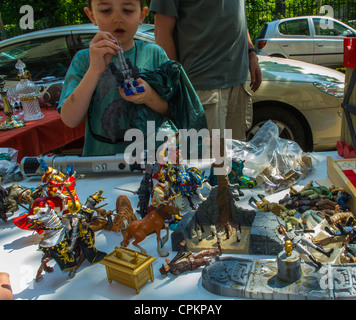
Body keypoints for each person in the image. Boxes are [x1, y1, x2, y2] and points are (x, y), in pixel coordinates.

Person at [58, 0, 207, 157]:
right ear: (91, 15)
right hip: (102, 165)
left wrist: (149, 96)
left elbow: (175, 110)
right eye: (106, 10)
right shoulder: (84, 60)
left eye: (127, 10)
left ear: (142, 15)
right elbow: (70, 119)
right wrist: (95, 70)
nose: (118, 18)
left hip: (154, 163)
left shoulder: (154, 54)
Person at [150, 0, 262, 141]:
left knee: (234, 158)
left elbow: (239, 16)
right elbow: (162, 32)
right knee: (207, 160)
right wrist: (179, 85)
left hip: (238, 84)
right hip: (202, 90)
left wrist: (251, 52)